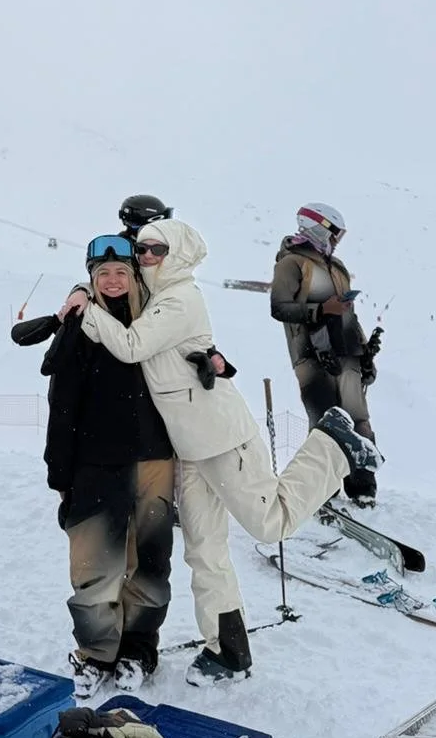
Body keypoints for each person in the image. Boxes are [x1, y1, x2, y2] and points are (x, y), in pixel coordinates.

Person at [65, 219, 380, 686]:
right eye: (143, 250)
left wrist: (86, 308)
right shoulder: (154, 296)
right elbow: (115, 285)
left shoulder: (179, 298)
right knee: (204, 551)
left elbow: (132, 347)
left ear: (179, 254)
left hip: (220, 437)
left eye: (155, 250)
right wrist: (84, 287)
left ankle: (333, 442)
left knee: (269, 522)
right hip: (190, 448)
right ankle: (227, 649)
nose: (145, 257)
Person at [15, 236, 175, 699]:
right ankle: (95, 652)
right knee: (94, 564)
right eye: (102, 275)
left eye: (121, 273)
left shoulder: (155, 320)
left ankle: (139, 647)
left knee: (150, 561)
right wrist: (59, 473)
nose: (112, 281)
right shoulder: (81, 325)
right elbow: (62, 402)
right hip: (95, 461)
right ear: (90, 278)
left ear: (133, 276)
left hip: (153, 458)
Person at [271, 204, 382, 507]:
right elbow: (279, 308)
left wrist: (364, 351)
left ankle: (362, 487)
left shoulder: (337, 267)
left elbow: (349, 314)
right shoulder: (291, 263)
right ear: (319, 227)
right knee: (326, 420)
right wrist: (320, 309)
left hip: (346, 353)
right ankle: (323, 490)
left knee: (358, 419)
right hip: (311, 356)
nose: (338, 240)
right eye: (335, 233)